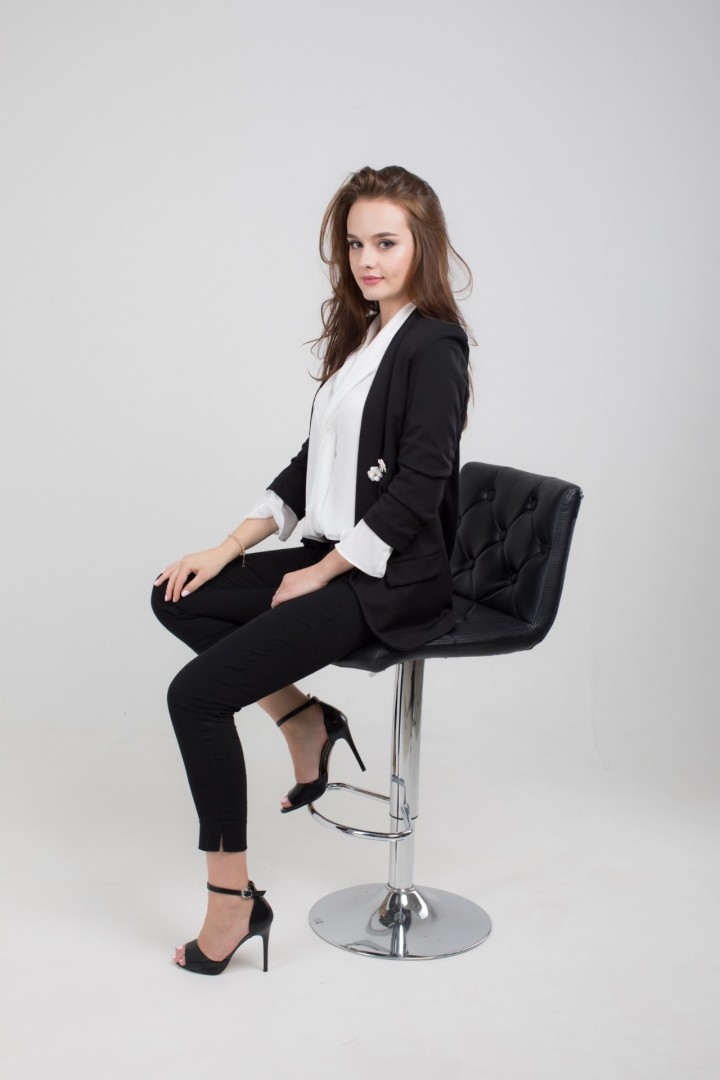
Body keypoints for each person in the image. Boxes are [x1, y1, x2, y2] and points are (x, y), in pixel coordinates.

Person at [151, 165, 472, 975]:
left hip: (387, 579)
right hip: (334, 556)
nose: (367, 260)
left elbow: (421, 483)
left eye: (386, 243)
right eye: (356, 244)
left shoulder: (434, 344)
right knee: (179, 596)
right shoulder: (363, 337)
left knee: (196, 697)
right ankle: (304, 721)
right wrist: (228, 547)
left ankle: (231, 901)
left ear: (423, 244)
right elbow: (310, 466)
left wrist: (323, 572)